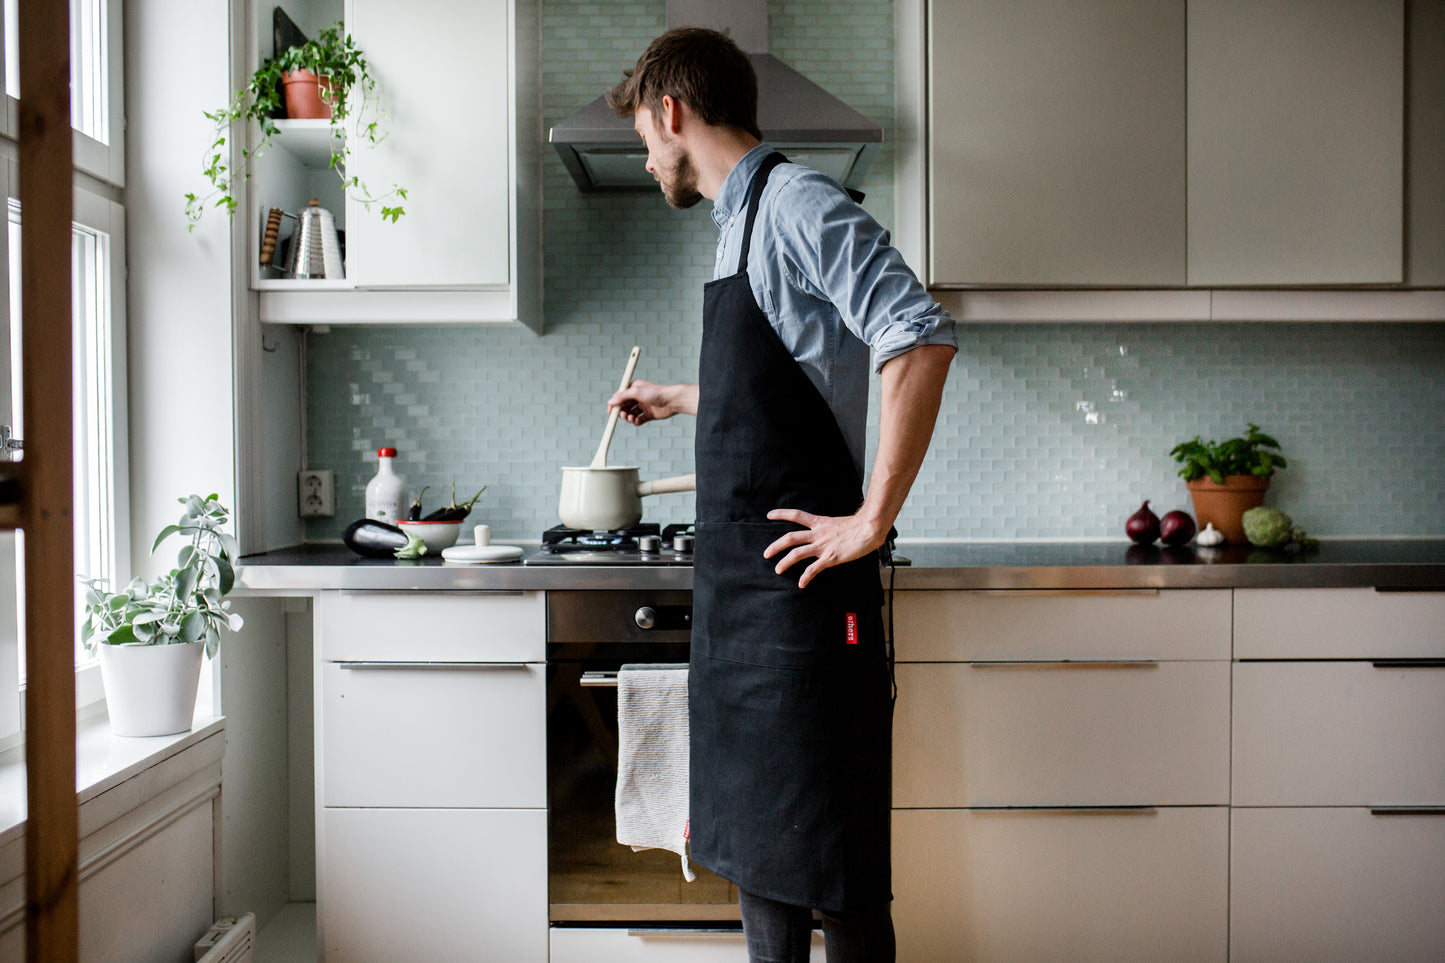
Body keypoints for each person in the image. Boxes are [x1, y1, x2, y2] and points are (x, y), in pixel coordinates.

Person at [605, 27, 956, 963]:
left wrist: (873, 518)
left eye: (644, 133)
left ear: (672, 112)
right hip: (744, 600)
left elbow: (916, 334)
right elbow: (793, 370)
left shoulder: (796, 202)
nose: (645, 159)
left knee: (832, 872)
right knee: (763, 863)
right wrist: (681, 396)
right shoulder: (740, 223)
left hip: (802, 606)